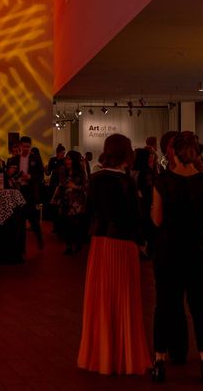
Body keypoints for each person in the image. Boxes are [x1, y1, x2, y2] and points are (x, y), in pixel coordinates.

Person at [77, 134, 150, 376]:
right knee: (124, 298)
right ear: (127, 154)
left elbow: (88, 213)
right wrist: (142, 241)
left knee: (101, 299)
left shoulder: (95, 178)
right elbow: (134, 218)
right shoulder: (126, 182)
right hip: (123, 244)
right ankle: (124, 355)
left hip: (99, 244)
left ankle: (100, 353)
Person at [150, 131, 203, 383]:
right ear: (196, 153)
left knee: (165, 304)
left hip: (168, 249)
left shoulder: (162, 182)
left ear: (174, 154)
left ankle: (159, 359)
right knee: (199, 305)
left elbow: (157, 219)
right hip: (197, 249)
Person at [6, 136, 45, 250]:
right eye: (24, 146)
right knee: (19, 222)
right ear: (20, 146)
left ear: (30, 146)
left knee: (34, 220)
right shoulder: (14, 159)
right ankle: (21, 248)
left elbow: (41, 176)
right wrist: (10, 174)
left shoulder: (35, 159)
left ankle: (40, 240)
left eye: (28, 147)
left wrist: (30, 177)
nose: (26, 149)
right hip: (18, 192)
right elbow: (8, 176)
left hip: (31, 193)